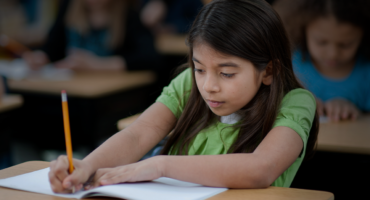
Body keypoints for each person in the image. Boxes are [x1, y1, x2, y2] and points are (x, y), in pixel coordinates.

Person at [48, 0, 318, 193]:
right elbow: (138, 134)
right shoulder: (189, 83)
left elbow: (261, 168)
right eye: (200, 68)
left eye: (226, 73)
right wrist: (87, 165)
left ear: (268, 70)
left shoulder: (294, 101)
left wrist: (161, 165)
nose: (208, 85)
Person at [274, 0, 370, 122]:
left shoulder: (366, 73)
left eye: (345, 45)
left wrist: (354, 112)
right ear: (302, 30)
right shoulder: (288, 63)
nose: (333, 54)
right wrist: (295, 101)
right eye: (321, 42)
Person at [22, 0, 161, 71]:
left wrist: (97, 65)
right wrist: (41, 57)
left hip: (107, 94)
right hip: (70, 87)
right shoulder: (69, 7)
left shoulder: (128, 14)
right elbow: (52, 47)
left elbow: (149, 58)